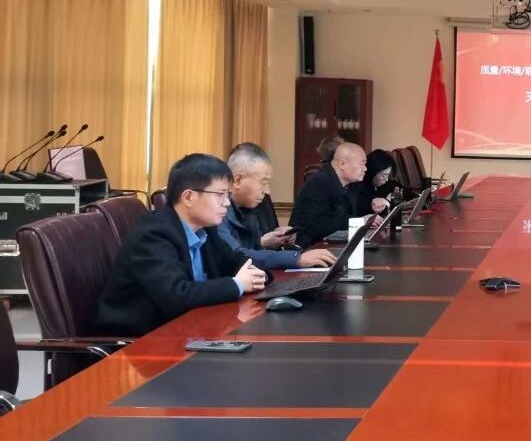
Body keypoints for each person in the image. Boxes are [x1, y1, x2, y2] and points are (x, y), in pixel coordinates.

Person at [95, 154, 267, 336]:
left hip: (184, 331)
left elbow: (234, 261)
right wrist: (237, 284)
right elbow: (177, 296)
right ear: (188, 197)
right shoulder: (153, 235)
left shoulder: (205, 229)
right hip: (139, 341)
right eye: (220, 194)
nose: (226, 203)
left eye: (228, 195)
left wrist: (255, 274)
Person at [219, 143, 336, 271]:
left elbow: (250, 248)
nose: (267, 191)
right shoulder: (217, 211)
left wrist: (268, 241)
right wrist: (297, 259)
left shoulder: (247, 208)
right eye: (263, 182)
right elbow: (238, 256)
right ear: (237, 180)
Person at [291, 142, 372, 247]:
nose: (365, 169)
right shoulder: (319, 183)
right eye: (362, 164)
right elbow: (318, 227)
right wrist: (356, 222)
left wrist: (361, 220)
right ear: (342, 164)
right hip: (309, 250)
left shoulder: (346, 185)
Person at [347, 148, 395, 217]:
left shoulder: (384, 183)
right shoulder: (358, 187)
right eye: (383, 175)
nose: (387, 179)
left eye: (388, 175)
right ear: (372, 171)